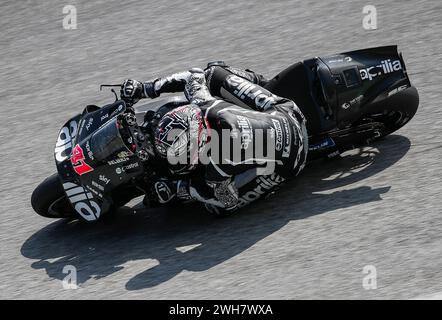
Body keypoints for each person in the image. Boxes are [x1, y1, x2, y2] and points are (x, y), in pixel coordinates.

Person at [120, 62, 308, 214]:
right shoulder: (204, 104)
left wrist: (179, 188)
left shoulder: (216, 169)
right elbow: (193, 75)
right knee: (213, 72)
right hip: (286, 110)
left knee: (216, 209)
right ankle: (262, 83)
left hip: (293, 160)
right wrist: (146, 89)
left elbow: (229, 201)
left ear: (199, 145)